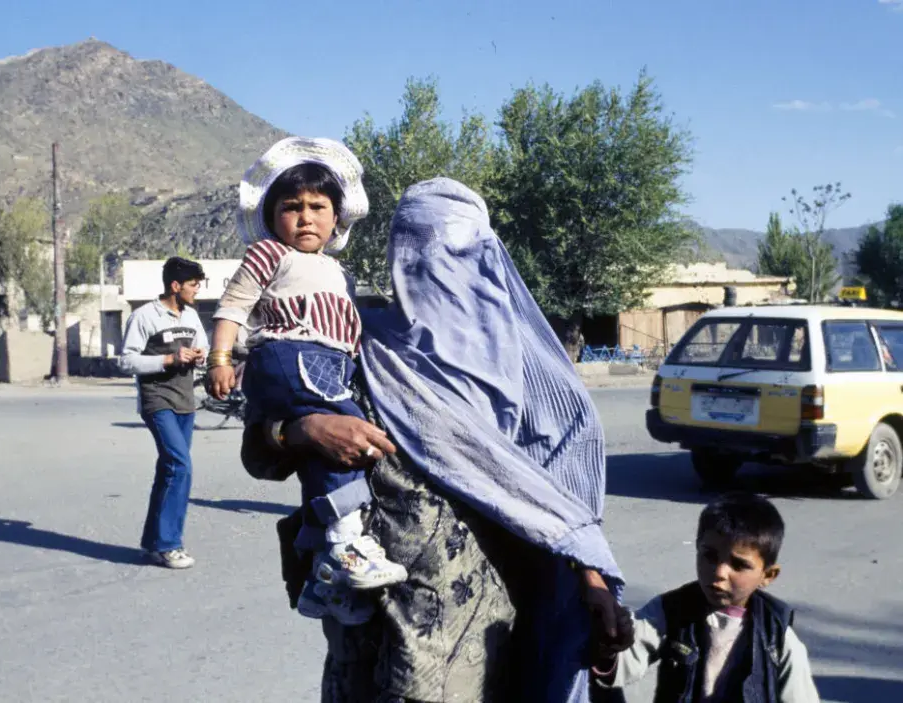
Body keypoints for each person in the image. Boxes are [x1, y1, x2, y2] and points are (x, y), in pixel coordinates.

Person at [236, 178, 632, 702]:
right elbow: (258, 454)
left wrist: (594, 582)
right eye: (417, 255)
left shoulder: (539, 382)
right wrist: (303, 430)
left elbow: (562, 504)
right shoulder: (359, 343)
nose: (437, 269)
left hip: (493, 628)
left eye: (458, 254)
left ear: (488, 258)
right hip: (378, 625)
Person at [207, 136, 406, 623]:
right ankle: (345, 543)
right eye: (292, 207)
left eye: (318, 207)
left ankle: (321, 572)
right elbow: (233, 305)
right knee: (348, 425)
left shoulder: (340, 273)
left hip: (326, 361)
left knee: (327, 448)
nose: (306, 217)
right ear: (272, 216)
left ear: (337, 217)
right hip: (291, 354)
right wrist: (220, 357)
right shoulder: (269, 254)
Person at [592, 492, 820, 702]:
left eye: (739, 565)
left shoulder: (777, 639)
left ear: (767, 575)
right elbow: (626, 661)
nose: (720, 572)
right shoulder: (671, 610)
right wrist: (612, 645)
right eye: (709, 556)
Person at [119, 256, 208, 569]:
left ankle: (152, 543)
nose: (197, 290)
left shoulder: (192, 316)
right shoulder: (145, 316)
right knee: (180, 465)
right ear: (175, 285)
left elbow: (203, 349)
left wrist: (199, 357)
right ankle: (170, 544)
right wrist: (168, 360)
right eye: (193, 284)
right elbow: (127, 361)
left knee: (169, 470)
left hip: (186, 400)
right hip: (157, 400)